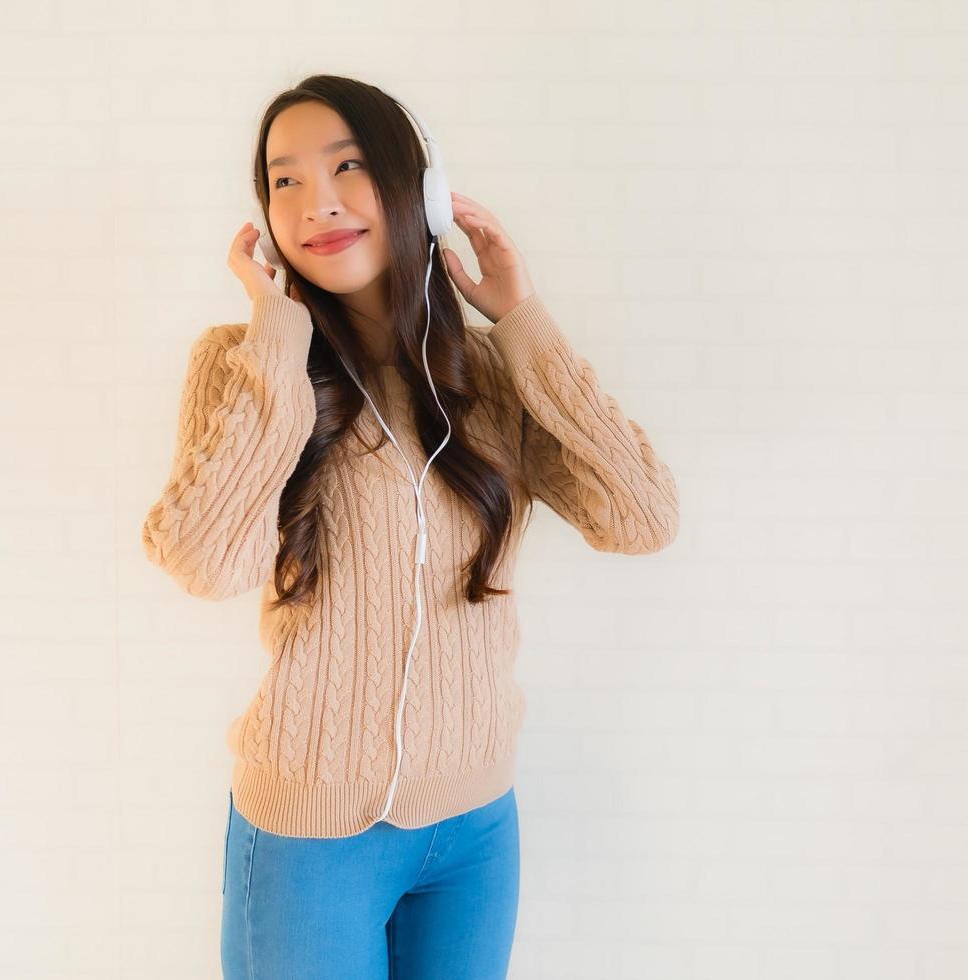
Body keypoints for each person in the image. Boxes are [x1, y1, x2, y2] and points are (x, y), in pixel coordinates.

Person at [139, 75, 680, 979]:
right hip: (311, 840)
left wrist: (522, 324)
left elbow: (642, 517)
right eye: (285, 182)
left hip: (474, 833)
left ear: (414, 189)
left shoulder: (491, 380)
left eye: (347, 166)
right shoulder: (241, 367)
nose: (317, 204)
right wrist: (274, 335)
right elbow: (205, 561)